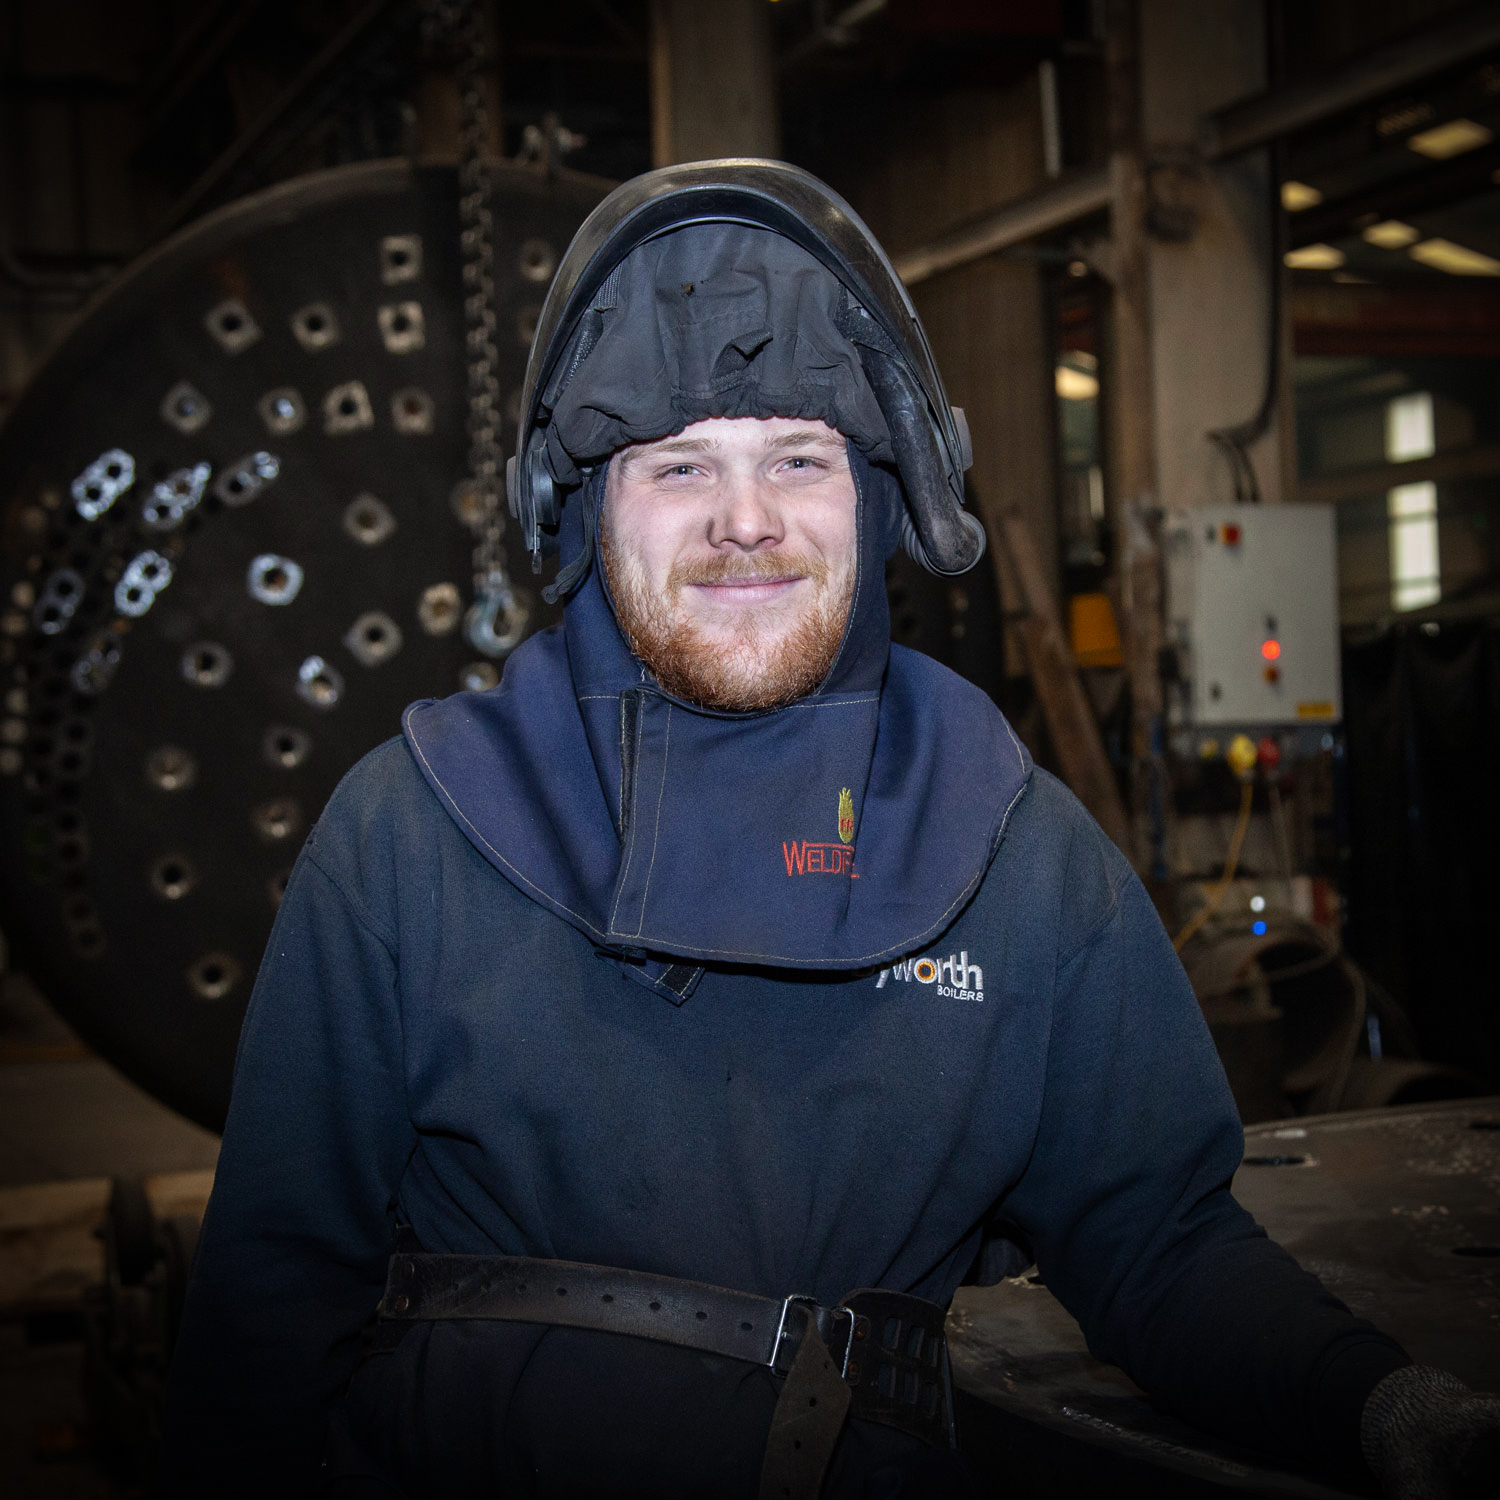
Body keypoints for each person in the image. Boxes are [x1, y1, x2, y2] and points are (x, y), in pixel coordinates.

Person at [159, 161, 1500, 1500]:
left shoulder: (1013, 850)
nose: (747, 522)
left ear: (882, 492)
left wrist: (1386, 1403)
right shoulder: (410, 836)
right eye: (677, 464)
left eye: (799, 456)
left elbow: (1160, 1242)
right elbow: (267, 1320)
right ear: (578, 509)